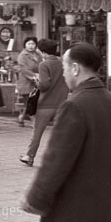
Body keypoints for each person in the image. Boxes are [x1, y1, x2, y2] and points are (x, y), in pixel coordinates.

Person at [21, 42, 111, 222]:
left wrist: (35, 198)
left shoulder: (74, 105)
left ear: (75, 69)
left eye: (64, 66)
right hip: (104, 200)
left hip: (73, 201)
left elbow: (55, 160)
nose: (63, 71)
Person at [19, 39, 69, 167]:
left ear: (43, 52)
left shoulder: (44, 64)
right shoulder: (63, 63)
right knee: (61, 133)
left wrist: (37, 82)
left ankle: (29, 156)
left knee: (37, 133)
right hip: (61, 103)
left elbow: (44, 85)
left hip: (45, 104)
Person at [16, 37, 43, 127]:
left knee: (33, 101)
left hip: (37, 81)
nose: (31, 46)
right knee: (29, 101)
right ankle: (33, 121)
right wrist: (34, 76)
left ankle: (21, 117)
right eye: (29, 44)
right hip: (26, 81)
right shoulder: (22, 56)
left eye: (33, 44)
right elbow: (24, 69)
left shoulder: (38, 54)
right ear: (25, 45)